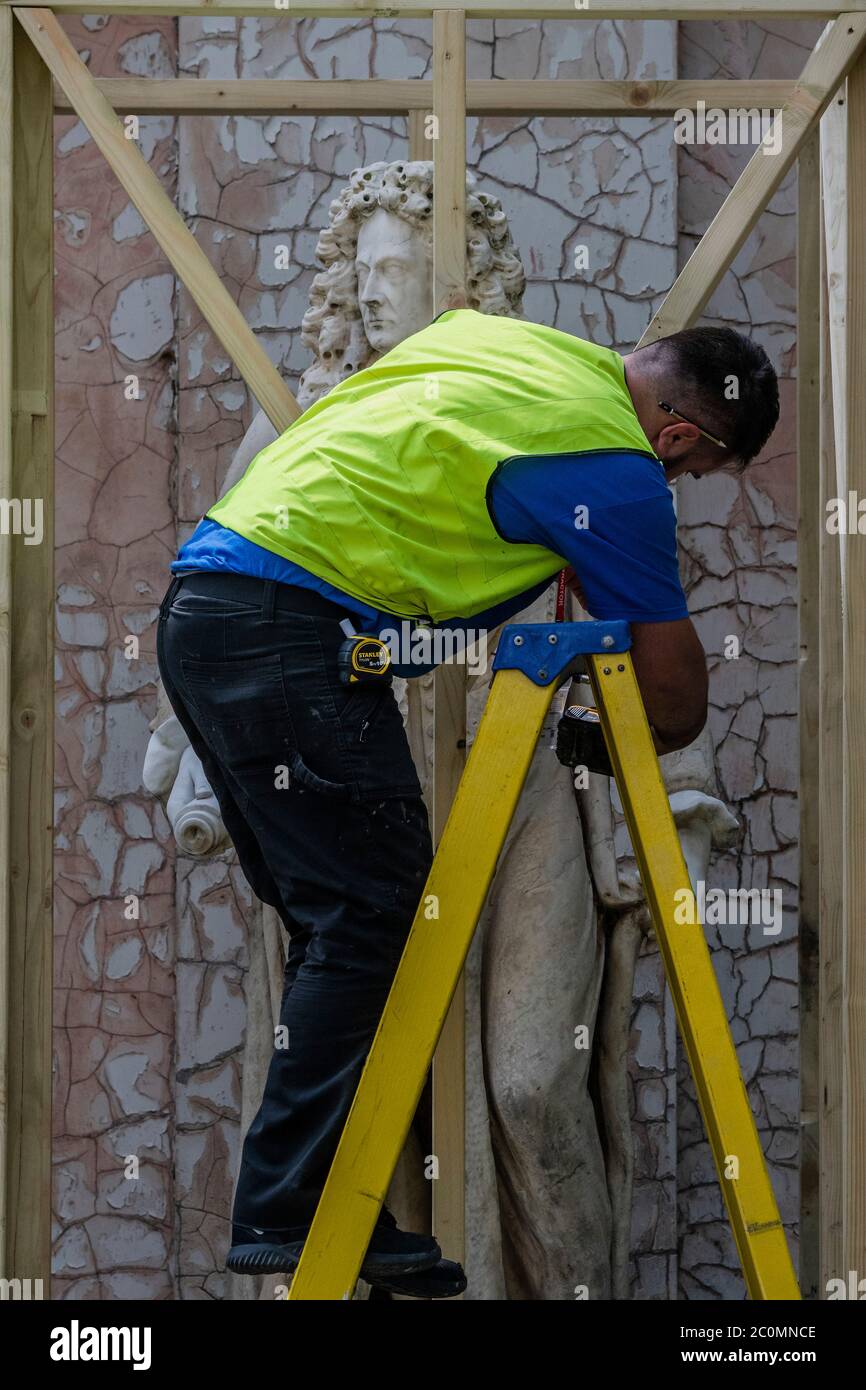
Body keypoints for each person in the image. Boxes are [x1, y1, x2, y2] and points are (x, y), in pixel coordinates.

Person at [156, 307, 779, 1298]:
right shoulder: (616, 471)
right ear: (677, 437)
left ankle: (311, 1204)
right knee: (370, 916)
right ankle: (288, 1204)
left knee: (341, 920)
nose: (672, 487)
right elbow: (674, 699)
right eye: (688, 473)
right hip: (287, 636)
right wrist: (620, 735)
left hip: (208, 616)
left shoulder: (511, 346)